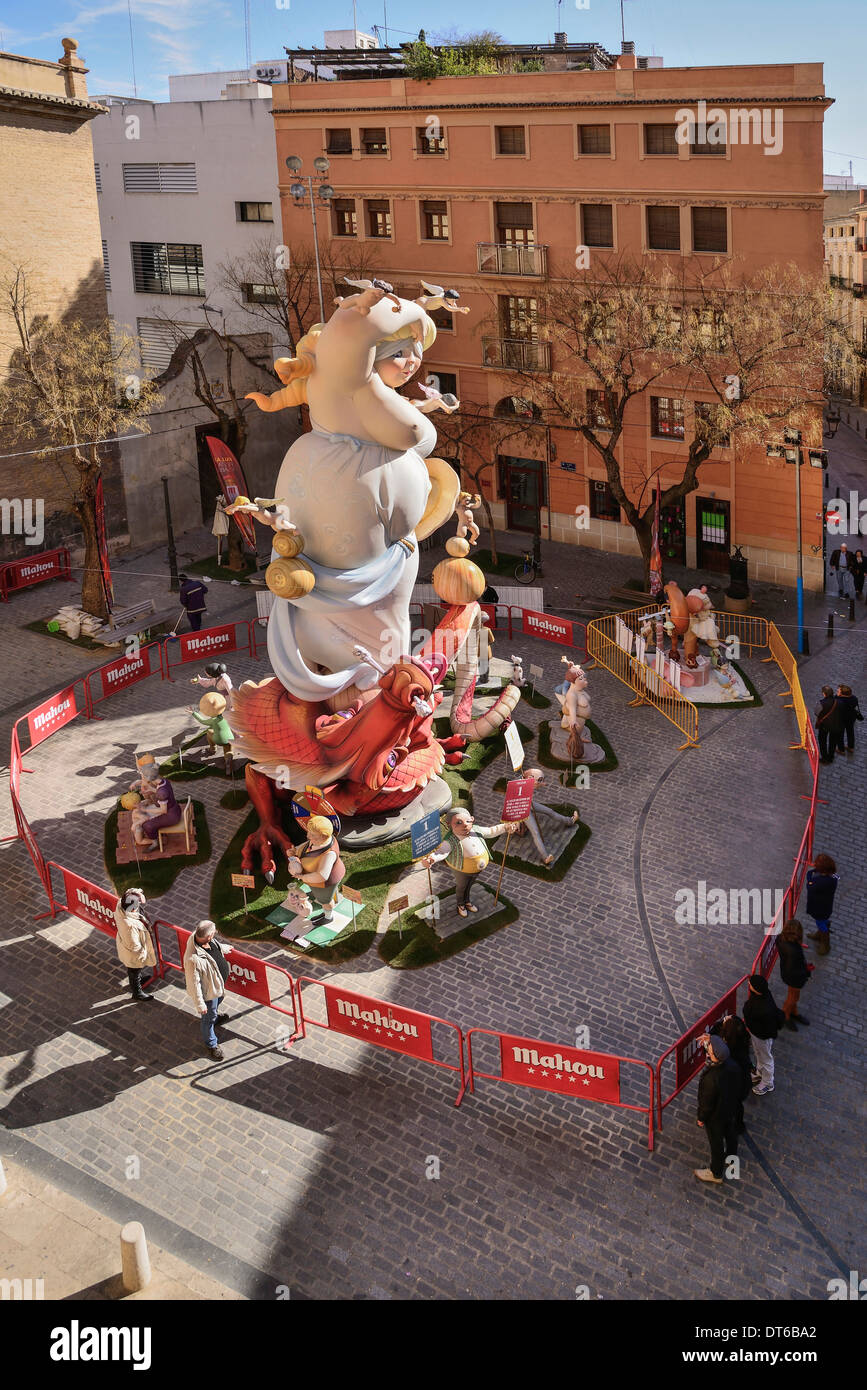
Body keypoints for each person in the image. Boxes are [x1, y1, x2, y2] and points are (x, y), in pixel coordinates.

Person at [423, 807, 521, 917]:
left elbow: (491, 831)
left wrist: (505, 826)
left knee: (469, 885)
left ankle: (467, 901)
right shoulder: (451, 839)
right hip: (462, 869)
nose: (464, 825)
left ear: (472, 819)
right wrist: (432, 859)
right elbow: (442, 851)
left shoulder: (477, 830)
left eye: (467, 821)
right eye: (458, 823)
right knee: (462, 887)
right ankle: (461, 904)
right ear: (449, 824)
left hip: (476, 869)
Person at [694, 1035, 742, 1185]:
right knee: (731, 1134)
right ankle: (731, 1158)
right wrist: (711, 1038)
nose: (707, 1049)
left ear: (713, 1055)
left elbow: (707, 1103)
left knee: (716, 1142)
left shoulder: (711, 1079)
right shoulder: (732, 1065)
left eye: (709, 1048)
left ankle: (716, 1173)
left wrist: (701, 1118)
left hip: (716, 1116)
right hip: (731, 1109)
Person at [183, 920, 234, 1060]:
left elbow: (213, 946)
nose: (216, 934)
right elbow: (194, 983)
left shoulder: (201, 937)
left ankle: (215, 1017)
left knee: (216, 1007)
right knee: (207, 1019)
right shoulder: (193, 960)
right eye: (214, 932)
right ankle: (211, 1044)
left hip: (217, 988)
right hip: (209, 994)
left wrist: (222, 948)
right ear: (209, 935)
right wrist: (200, 1004)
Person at [742, 974, 785, 1096]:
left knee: (766, 1058)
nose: (749, 985)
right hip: (758, 1034)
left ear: (756, 989)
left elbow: (748, 1012)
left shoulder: (762, 1009)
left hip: (762, 1036)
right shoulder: (764, 995)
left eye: (751, 984)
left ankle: (768, 1082)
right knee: (759, 1053)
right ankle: (760, 1073)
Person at [709, 1015, 752, 1133]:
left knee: (727, 1104)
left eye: (727, 1019)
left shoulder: (725, 1050)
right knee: (737, 1106)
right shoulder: (742, 1042)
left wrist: (721, 1022)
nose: (726, 1017)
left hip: (731, 1085)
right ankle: (739, 1125)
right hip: (741, 1086)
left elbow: (712, 1035)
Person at [113, 888, 156, 1002]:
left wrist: (137, 893)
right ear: (132, 910)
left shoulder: (120, 905)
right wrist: (144, 953)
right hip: (133, 954)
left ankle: (139, 981)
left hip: (127, 949)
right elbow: (134, 946)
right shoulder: (129, 926)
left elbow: (128, 892)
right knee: (134, 971)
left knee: (135, 971)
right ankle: (137, 993)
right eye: (137, 905)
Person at [777, 918, 811, 1030]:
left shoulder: (781, 940)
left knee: (792, 995)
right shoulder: (794, 950)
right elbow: (795, 968)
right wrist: (806, 972)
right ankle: (785, 1015)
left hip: (787, 973)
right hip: (794, 978)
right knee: (793, 998)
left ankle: (794, 1012)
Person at [805, 852, 839, 956]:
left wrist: (810, 878)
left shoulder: (821, 881)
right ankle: (820, 934)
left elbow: (810, 886)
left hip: (819, 908)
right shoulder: (833, 877)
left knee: (820, 923)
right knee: (822, 921)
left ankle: (825, 942)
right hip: (826, 906)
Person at [833, 684, 863, 757]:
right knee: (850, 732)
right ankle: (850, 747)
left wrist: (837, 696)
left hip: (842, 719)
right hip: (851, 718)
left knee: (840, 734)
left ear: (843, 694)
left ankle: (841, 749)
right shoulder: (854, 698)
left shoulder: (839, 701)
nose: (837, 691)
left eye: (839, 690)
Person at [814, 686, 838, 764]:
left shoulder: (821, 703)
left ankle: (825, 757)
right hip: (835, 724)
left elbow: (816, 713)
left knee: (822, 741)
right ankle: (831, 756)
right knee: (833, 741)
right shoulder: (837, 701)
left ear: (824, 694)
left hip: (824, 725)